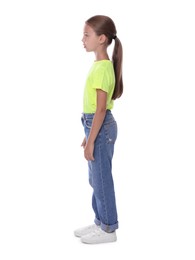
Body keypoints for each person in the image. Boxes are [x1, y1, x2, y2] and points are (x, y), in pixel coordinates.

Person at [74, 15, 123, 244]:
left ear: (101, 38)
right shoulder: (99, 65)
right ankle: (99, 221)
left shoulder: (103, 68)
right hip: (95, 126)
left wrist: (92, 139)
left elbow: (101, 109)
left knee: (102, 179)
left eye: (87, 34)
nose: (82, 39)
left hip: (100, 127)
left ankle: (108, 229)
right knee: (96, 179)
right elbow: (95, 107)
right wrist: (88, 136)